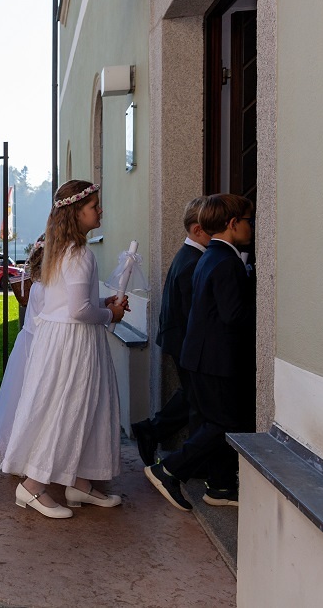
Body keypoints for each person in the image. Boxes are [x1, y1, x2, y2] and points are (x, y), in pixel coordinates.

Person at [0, 180, 127, 519]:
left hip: (61, 338)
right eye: (94, 206)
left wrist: (103, 302)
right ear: (76, 212)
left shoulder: (61, 250)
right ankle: (32, 486)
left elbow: (68, 300)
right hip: (73, 342)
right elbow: (78, 310)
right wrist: (110, 314)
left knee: (87, 409)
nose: (100, 211)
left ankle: (79, 482)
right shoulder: (79, 254)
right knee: (66, 409)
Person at [145, 194, 255, 511]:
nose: (252, 227)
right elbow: (233, 315)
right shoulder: (226, 261)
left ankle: (221, 486)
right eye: (248, 221)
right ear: (233, 224)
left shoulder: (211, 256)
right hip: (216, 361)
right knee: (225, 425)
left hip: (204, 358)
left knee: (218, 422)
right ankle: (169, 470)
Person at [131, 197, 209, 465]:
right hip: (183, 340)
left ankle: (151, 430)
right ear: (198, 229)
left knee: (193, 396)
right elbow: (191, 313)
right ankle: (154, 432)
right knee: (198, 399)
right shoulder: (192, 261)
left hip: (178, 338)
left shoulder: (190, 254)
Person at [0, 236, 45, 465]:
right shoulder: (44, 288)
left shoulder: (37, 285)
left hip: (28, 343)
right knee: (30, 397)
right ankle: (25, 450)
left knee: (23, 397)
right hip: (37, 346)